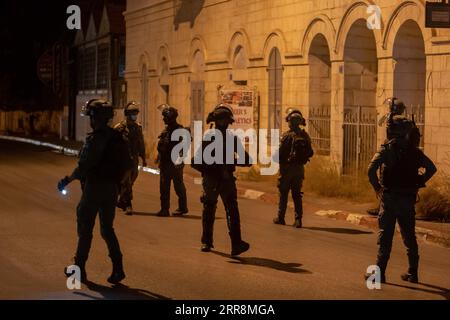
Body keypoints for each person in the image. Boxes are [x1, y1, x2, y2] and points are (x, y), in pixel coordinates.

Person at [58, 99, 126, 284]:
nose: (89, 120)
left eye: (91, 117)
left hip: (94, 188)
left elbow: (84, 166)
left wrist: (67, 180)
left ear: (96, 119)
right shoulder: (116, 137)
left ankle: (79, 269)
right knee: (107, 229)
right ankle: (118, 269)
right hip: (112, 188)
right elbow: (126, 165)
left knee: (85, 228)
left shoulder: (96, 139)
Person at [366, 114, 436, 284]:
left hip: (389, 199)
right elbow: (431, 169)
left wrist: (378, 189)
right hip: (407, 200)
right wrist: (418, 182)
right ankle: (413, 273)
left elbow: (370, 170)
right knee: (409, 237)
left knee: (385, 238)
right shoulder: (415, 152)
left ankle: (379, 273)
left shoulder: (386, 149)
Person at [191, 103, 252, 256]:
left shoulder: (208, 135)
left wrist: (210, 169)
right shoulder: (231, 137)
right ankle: (236, 244)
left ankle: (206, 242)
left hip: (211, 180)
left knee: (209, 209)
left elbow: (197, 160)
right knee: (231, 210)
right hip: (225, 179)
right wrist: (230, 163)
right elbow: (247, 159)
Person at [273, 108, 313, 228]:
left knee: (283, 194)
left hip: (286, 170)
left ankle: (281, 218)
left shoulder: (286, 136)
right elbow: (311, 152)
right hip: (299, 170)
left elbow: (278, 155)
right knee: (297, 195)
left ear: (289, 121)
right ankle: (298, 219)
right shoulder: (305, 135)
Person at [155, 104, 189, 217]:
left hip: (174, 163)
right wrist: (159, 157)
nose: (163, 119)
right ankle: (164, 209)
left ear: (170, 118)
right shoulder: (167, 130)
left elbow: (184, 147)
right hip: (165, 163)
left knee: (178, 186)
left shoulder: (179, 130)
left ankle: (183, 208)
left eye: (165, 117)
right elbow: (162, 146)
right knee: (164, 187)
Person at [115, 101, 147, 215]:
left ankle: (121, 200)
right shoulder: (120, 128)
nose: (134, 115)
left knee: (132, 179)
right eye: (132, 113)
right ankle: (128, 203)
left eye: (135, 113)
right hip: (123, 160)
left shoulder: (138, 128)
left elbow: (141, 143)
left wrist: (143, 158)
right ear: (127, 114)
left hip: (134, 159)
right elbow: (113, 144)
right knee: (126, 181)